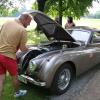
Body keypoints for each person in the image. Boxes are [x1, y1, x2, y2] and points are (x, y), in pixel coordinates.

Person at [0, 12, 33, 98]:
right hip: (9, 57)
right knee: (15, 77)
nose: (29, 24)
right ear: (24, 19)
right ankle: (17, 93)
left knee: (1, 78)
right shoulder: (22, 30)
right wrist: (28, 48)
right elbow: (22, 49)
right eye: (29, 22)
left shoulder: (7, 22)